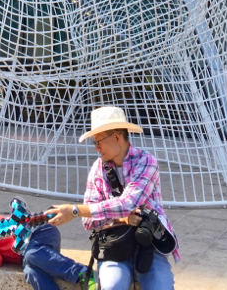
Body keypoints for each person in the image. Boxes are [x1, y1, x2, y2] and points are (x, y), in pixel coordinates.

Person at [44, 107, 179, 290]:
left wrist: (74, 209)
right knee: (112, 286)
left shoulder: (146, 161)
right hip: (114, 245)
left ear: (116, 137)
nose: (96, 148)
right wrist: (121, 219)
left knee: (161, 286)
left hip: (149, 243)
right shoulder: (98, 169)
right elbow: (88, 221)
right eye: (94, 143)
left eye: (98, 141)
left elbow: (127, 203)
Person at [0, 212, 96, 290]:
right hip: (29, 256)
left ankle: (82, 273)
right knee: (31, 272)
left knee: (31, 254)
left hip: (39, 231)